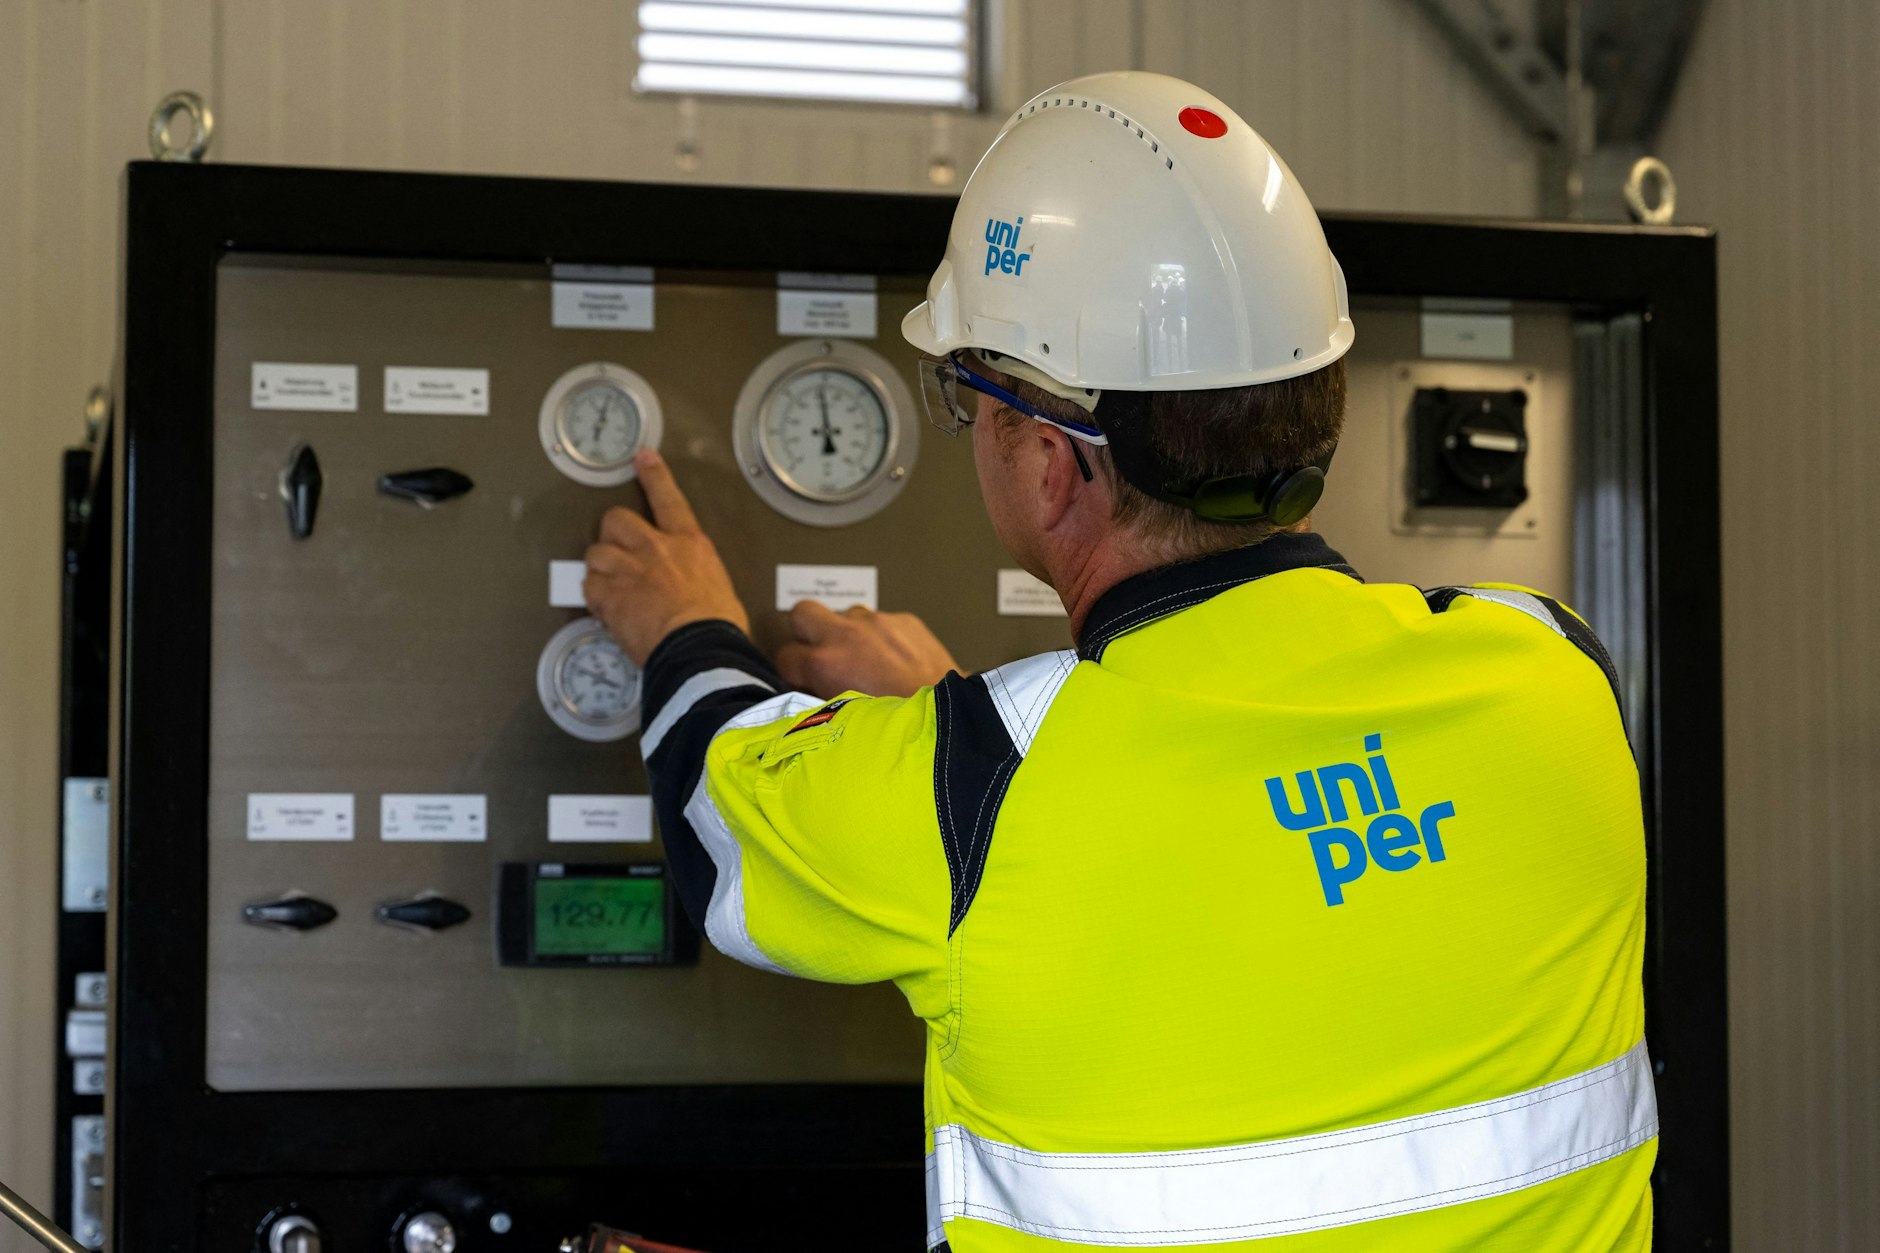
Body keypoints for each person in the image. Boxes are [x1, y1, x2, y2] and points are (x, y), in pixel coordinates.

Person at [584, 71, 1655, 1253]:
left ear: (1049, 464)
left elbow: (718, 808)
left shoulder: (970, 786)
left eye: (968, 398)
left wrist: (684, 621)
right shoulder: (1555, 671)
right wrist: (963, 734)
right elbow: (1264, 847)